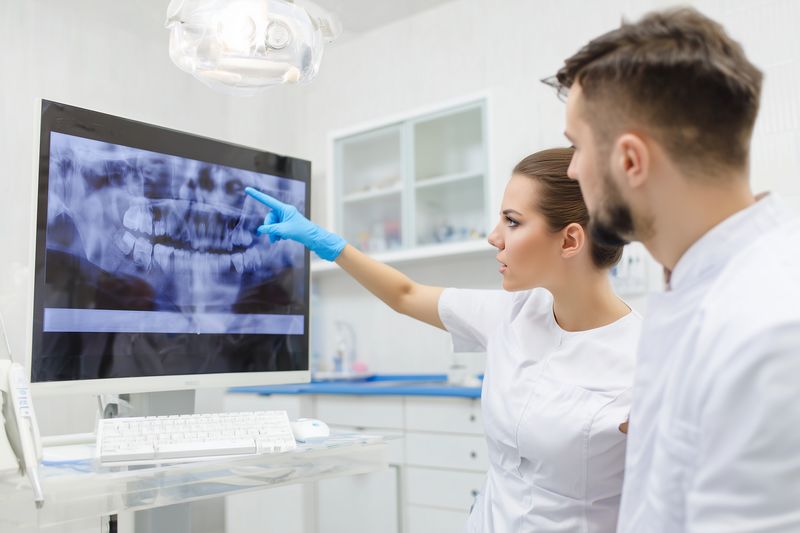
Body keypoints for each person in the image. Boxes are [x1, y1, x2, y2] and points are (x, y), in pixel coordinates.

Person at [245, 147, 641, 532]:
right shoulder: (513, 313)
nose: (494, 236)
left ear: (570, 241)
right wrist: (327, 243)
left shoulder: (644, 361)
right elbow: (405, 295)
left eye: (512, 221)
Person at [549, 7, 800, 532]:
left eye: (576, 147)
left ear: (630, 161)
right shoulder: (702, 287)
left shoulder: (768, 329)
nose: (571, 170)